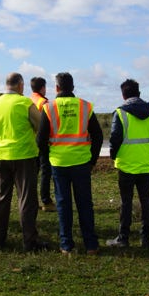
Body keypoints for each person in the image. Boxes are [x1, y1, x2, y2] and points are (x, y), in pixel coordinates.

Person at [37, 72, 103, 255]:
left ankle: (66, 245)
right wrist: (93, 160)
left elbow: (40, 139)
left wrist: (48, 157)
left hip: (58, 163)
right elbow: (98, 135)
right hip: (82, 162)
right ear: (73, 87)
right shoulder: (85, 106)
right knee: (85, 204)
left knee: (63, 203)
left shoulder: (49, 108)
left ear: (57, 88)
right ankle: (91, 244)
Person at [0, 73, 48, 251]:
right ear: (21, 85)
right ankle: (30, 241)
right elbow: (41, 125)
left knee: (2, 198)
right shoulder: (24, 103)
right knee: (27, 199)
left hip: (0, 155)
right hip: (23, 155)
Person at [106, 79, 149, 248]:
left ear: (123, 95)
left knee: (126, 201)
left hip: (126, 165)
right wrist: (147, 152)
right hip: (145, 163)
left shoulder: (121, 113)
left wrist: (113, 155)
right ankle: (145, 238)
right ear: (138, 93)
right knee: (145, 200)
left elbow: (114, 138)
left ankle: (123, 238)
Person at [29, 76, 56, 212]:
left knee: (33, 174)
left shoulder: (28, 100)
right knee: (46, 172)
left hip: (30, 142)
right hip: (43, 142)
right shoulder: (44, 102)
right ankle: (46, 201)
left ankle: (32, 202)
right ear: (42, 88)